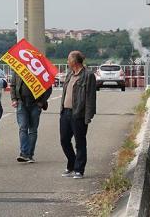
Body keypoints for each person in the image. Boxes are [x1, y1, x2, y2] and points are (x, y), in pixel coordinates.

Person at [59, 51, 96, 179]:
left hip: (78, 114)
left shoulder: (88, 75)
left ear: (74, 61)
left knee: (80, 142)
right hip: (66, 112)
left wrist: (88, 116)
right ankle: (72, 164)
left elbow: (91, 97)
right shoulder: (70, 74)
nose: (67, 62)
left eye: (68, 59)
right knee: (64, 140)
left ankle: (79, 169)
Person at [10, 73, 52, 163]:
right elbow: (12, 86)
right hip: (21, 103)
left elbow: (49, 88)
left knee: (32, 130)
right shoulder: (18, 68)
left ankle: (29, 155)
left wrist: (41, 102)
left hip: (35, 104)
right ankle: (24, 153)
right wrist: (14, 99)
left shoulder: (40, 70)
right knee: (23, 127)